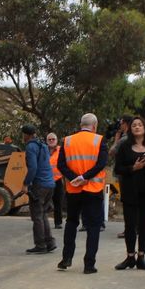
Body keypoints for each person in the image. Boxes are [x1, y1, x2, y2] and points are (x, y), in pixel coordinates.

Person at [56, 113, 108, 274]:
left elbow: (61, 165)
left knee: (71, 222)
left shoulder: (67, 141)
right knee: (93, 226)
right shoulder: (99, 140)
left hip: (73, 189)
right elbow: (101, 164)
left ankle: (66, 258)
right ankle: (89, 265)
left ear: (81, 125)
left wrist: (75, 178)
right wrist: (85, 177)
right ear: (95, 126)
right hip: (93, 189)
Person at [113, 117, 145, 270]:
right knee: (130, 225)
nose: (137, 127)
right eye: (134, 125)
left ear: (144, 128)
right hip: (130, 190)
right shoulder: (124, 146)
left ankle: (141, 257)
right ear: (130, 129)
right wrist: (134, 168)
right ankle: (130, 257)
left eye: (140, 125)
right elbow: (118, 169)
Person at [22, 124, 57, 253]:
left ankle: (41, 245)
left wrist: (26, 183)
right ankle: (50, 242)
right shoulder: (43, 145)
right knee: (43, 214)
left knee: (37, 216)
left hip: (40, 185)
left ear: (26, 135)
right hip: (50, 184)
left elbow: (33, 168)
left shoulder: (31, 147)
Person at [46, 132, 64, 228]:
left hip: (58, 180)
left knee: (58, 202)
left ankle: (58, 223)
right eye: (49, 139)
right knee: (43, 202)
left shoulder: (61, 150)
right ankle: (42, 222)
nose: (51, 141)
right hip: (45, 180)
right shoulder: (43, 150)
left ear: (56, 140)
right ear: (47, 141)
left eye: (53, 139)